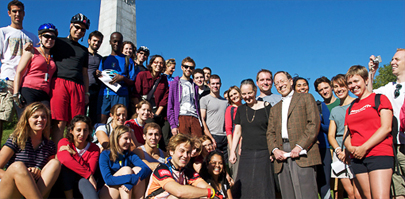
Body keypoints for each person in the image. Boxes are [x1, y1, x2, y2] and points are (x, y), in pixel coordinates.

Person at [267, 71, 321, 199]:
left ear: (291, 81)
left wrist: (300, 146)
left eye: (282, 81)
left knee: (306, 193)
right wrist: (274, 150)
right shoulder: (275, 108)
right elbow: (270, 132)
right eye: (277, 83)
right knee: (287, 194)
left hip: (303, 153)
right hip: (281, 155)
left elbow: (313, 123)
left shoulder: (306, 98)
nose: (280, 85)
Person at [344, 65, 393, 199]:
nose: (353, 86)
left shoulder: (380, 99)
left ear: (366, 80)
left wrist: (364, 147)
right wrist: (351, 148)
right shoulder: (351, 107)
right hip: (358, 158)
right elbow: (347, 134)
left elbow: (386, 127)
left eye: (356, 81)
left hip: (379, 154)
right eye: (349, 83)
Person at [0, 102, 61, 198]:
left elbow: (49, 173)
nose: (40, 120)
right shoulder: (17, 139)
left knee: (55, 163)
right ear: (27, 120)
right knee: (18, 166)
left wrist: (38, 170)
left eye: (43, 117)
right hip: (12, 189)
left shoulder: (50, 145)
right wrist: (23, 177)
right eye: (35, 117)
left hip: (37, 190)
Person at [229, 79, 275, 198]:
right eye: (244, 94)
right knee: (245, 183)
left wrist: (272, 150)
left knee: (263, 183)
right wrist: (233, 150)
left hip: (264, 151)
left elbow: (272, 131)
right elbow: (237, 131)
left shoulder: (267, 107)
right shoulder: (240, 109)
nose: (247, 96)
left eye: (249, 93)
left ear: (255, 91)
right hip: (247, 152)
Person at [0, 0, 39, 140]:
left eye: (20, 11)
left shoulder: (32, 37)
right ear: (9, 13)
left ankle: (18, 152)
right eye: (14, 11)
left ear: (24, 13)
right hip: (7, 79)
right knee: (2, 117)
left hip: (25, 82)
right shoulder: (3, 32)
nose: (17, 14)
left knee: (24, 120)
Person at [50, 13, 91, 145]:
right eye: (77, 27)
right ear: (70, 26)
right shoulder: (58, 42)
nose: (79, 31)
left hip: (78, 86)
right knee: (59, 121)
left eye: (83, 30)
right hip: (59, 83)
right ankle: (58, 154)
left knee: (76, 122)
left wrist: (86, 93)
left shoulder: (84, 51)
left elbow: (85, 73)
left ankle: (72, 153)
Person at [369, 49, 405, 199]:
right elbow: (370, 96)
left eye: (397, 59)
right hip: (393, 146)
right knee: (398, 191)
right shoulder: (388, 88)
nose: (392, 62)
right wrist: (372, 73)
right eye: (392, 59)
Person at [293, 76, 332, 199]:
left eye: (304, 84)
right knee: (307, 185)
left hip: (322, 148)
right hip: (302, 150)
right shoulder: (292, 109)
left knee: (324, 185)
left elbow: (330, 127)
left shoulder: (319, 105)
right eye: (299, 85)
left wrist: (315, 125)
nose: (302, 87)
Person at [144, 133, 219, 199]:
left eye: (188, 152)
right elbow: (179, 192)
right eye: (182, 151)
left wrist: (209, 193)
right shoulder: (161, 170)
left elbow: (207, 188)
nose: (185, 156)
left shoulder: (188, 173)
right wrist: (209, 192)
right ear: (171, 151)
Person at [13, 23, 58, 118]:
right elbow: (19, 72)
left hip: (44, 93)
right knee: (27, 122)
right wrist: (16, 93)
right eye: (46, 36)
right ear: (40, 37)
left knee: (44, 122)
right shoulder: (31, 51)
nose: (50, 39)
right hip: (29, 90)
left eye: (53, 37)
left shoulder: (53, 57)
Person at [328, 74, 360, 199]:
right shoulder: (335, 110)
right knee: (350, 193)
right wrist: (338, 151)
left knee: (359, 192)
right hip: (340, 154)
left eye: (341, 85)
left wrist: (348, 150)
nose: (338, 89)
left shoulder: (357, 103)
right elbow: (331, 135)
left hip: (355, 150)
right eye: (335, 87)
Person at [99, 125, 151, 199]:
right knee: (126, 170)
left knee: (138, 169)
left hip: (125, 189)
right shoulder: (105, 154)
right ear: (117, 139)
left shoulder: (129, 154)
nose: (129, 142)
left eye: (130, 139)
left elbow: (146, 168)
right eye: (126, 138)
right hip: (108, 192)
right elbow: (108, 180)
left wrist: (134, 180)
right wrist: (131, 179)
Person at [97, 32, 137, 124]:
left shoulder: (128, 60)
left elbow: (132, 81)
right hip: (104, 95)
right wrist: (97, 74)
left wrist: (122, 78)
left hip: (121, 94)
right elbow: (99, 77)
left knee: (119, 123)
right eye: (114, 41)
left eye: (119, 42)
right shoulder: (104, 60)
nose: (116, 44)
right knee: (101, 123)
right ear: (110, 42)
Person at [57, 115, 100, 199]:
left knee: (84, 181)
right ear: (71, 131)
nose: (82, 134)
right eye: (78, 130)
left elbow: (90, 170)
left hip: (83, 182)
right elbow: (65, 160)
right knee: (66, 169)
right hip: (64, 185)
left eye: (85, 130)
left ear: (89, 132)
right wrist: (88, 175)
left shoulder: (94, 148)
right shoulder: (64, 142)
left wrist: (74, 154)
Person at [133, 55, 170, 149]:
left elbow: (165, 98)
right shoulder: (142, 75)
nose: (158, 64)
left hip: (158, 111)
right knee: (150, 133)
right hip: (145, 110)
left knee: (165, 138)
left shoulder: (163, 79)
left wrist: (157, 114)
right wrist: (141, 110)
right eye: (156, 62)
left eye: (161, 63)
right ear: (151, 63)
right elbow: (135, 94)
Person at [167, 57, 202, 137]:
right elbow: (170, 106)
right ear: (182, 67)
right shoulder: (174, 84)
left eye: (191, 67)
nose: (188, 69)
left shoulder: (195, 86)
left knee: (198, 145)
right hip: (181, 117)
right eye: (186, 67)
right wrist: (173, 125)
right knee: (183, 145)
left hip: (194, 117)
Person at [200, 75, 228, 158]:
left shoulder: (225, 102)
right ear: (209, 85)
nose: (215, 86)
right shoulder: (204, 99)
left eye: (217, 83)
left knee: (226, 164)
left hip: (225, 136)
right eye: (213, 83)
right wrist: (210, 137)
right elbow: (202, 119)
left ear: (220, 84)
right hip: (212, 135)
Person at [86, 30, 104, 124]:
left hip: (95, 89)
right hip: (84, 88)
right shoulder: (83, 53)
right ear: (89, 41)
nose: (96, 43)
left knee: (93, 117)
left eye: (99, 41)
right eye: (94, 40)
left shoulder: (100, 58)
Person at [225, 86, 242, 179]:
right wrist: (232, 150)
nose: (234, 96)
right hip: (235, 145)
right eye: (231, 95)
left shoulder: (246, 107)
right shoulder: (230, 109)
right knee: (236, 173)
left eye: (235, 93)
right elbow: (228, 130)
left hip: (246, 144)